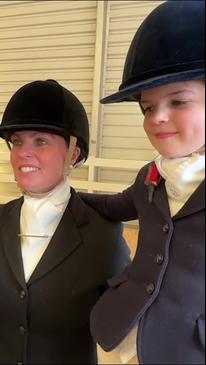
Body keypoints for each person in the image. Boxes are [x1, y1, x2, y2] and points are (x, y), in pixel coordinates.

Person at [79, 1, 205, 364]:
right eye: (148, 107)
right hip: (128, 329)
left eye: (178, 101)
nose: (158, 118)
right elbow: (116, 205)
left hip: (187, 347)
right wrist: (63, 193)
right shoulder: (151, 174)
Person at [0, 79, 130, 365]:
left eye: (41, 141)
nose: (23, 152)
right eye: (17, 141)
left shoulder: (103, 235)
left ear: (73, 152)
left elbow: (131, 325)